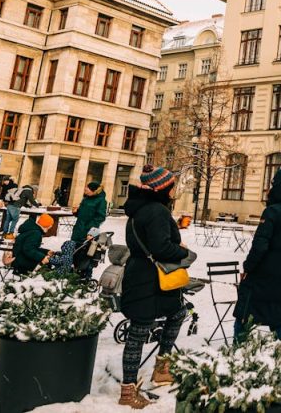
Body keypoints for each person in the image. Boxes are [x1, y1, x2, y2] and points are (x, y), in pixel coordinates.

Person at [119, 165, 193, 409]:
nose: (174, 190)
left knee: (174, 314)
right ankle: (130, 391)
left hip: (140, 273)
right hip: (152, 278)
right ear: (164, 189)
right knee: (140, 330)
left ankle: (161, 369)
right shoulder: (157, 211)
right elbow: (161, 247)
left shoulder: (138, 209)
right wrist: (183, 251)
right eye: (171, 186)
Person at [232, 169, 281, 342]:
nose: (270, 188)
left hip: (262, 277)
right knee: (277, 321)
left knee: (244, 318)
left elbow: (260, 245)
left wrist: (248, 267)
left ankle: (236, 354)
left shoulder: (272, 212)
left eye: (274, 185)